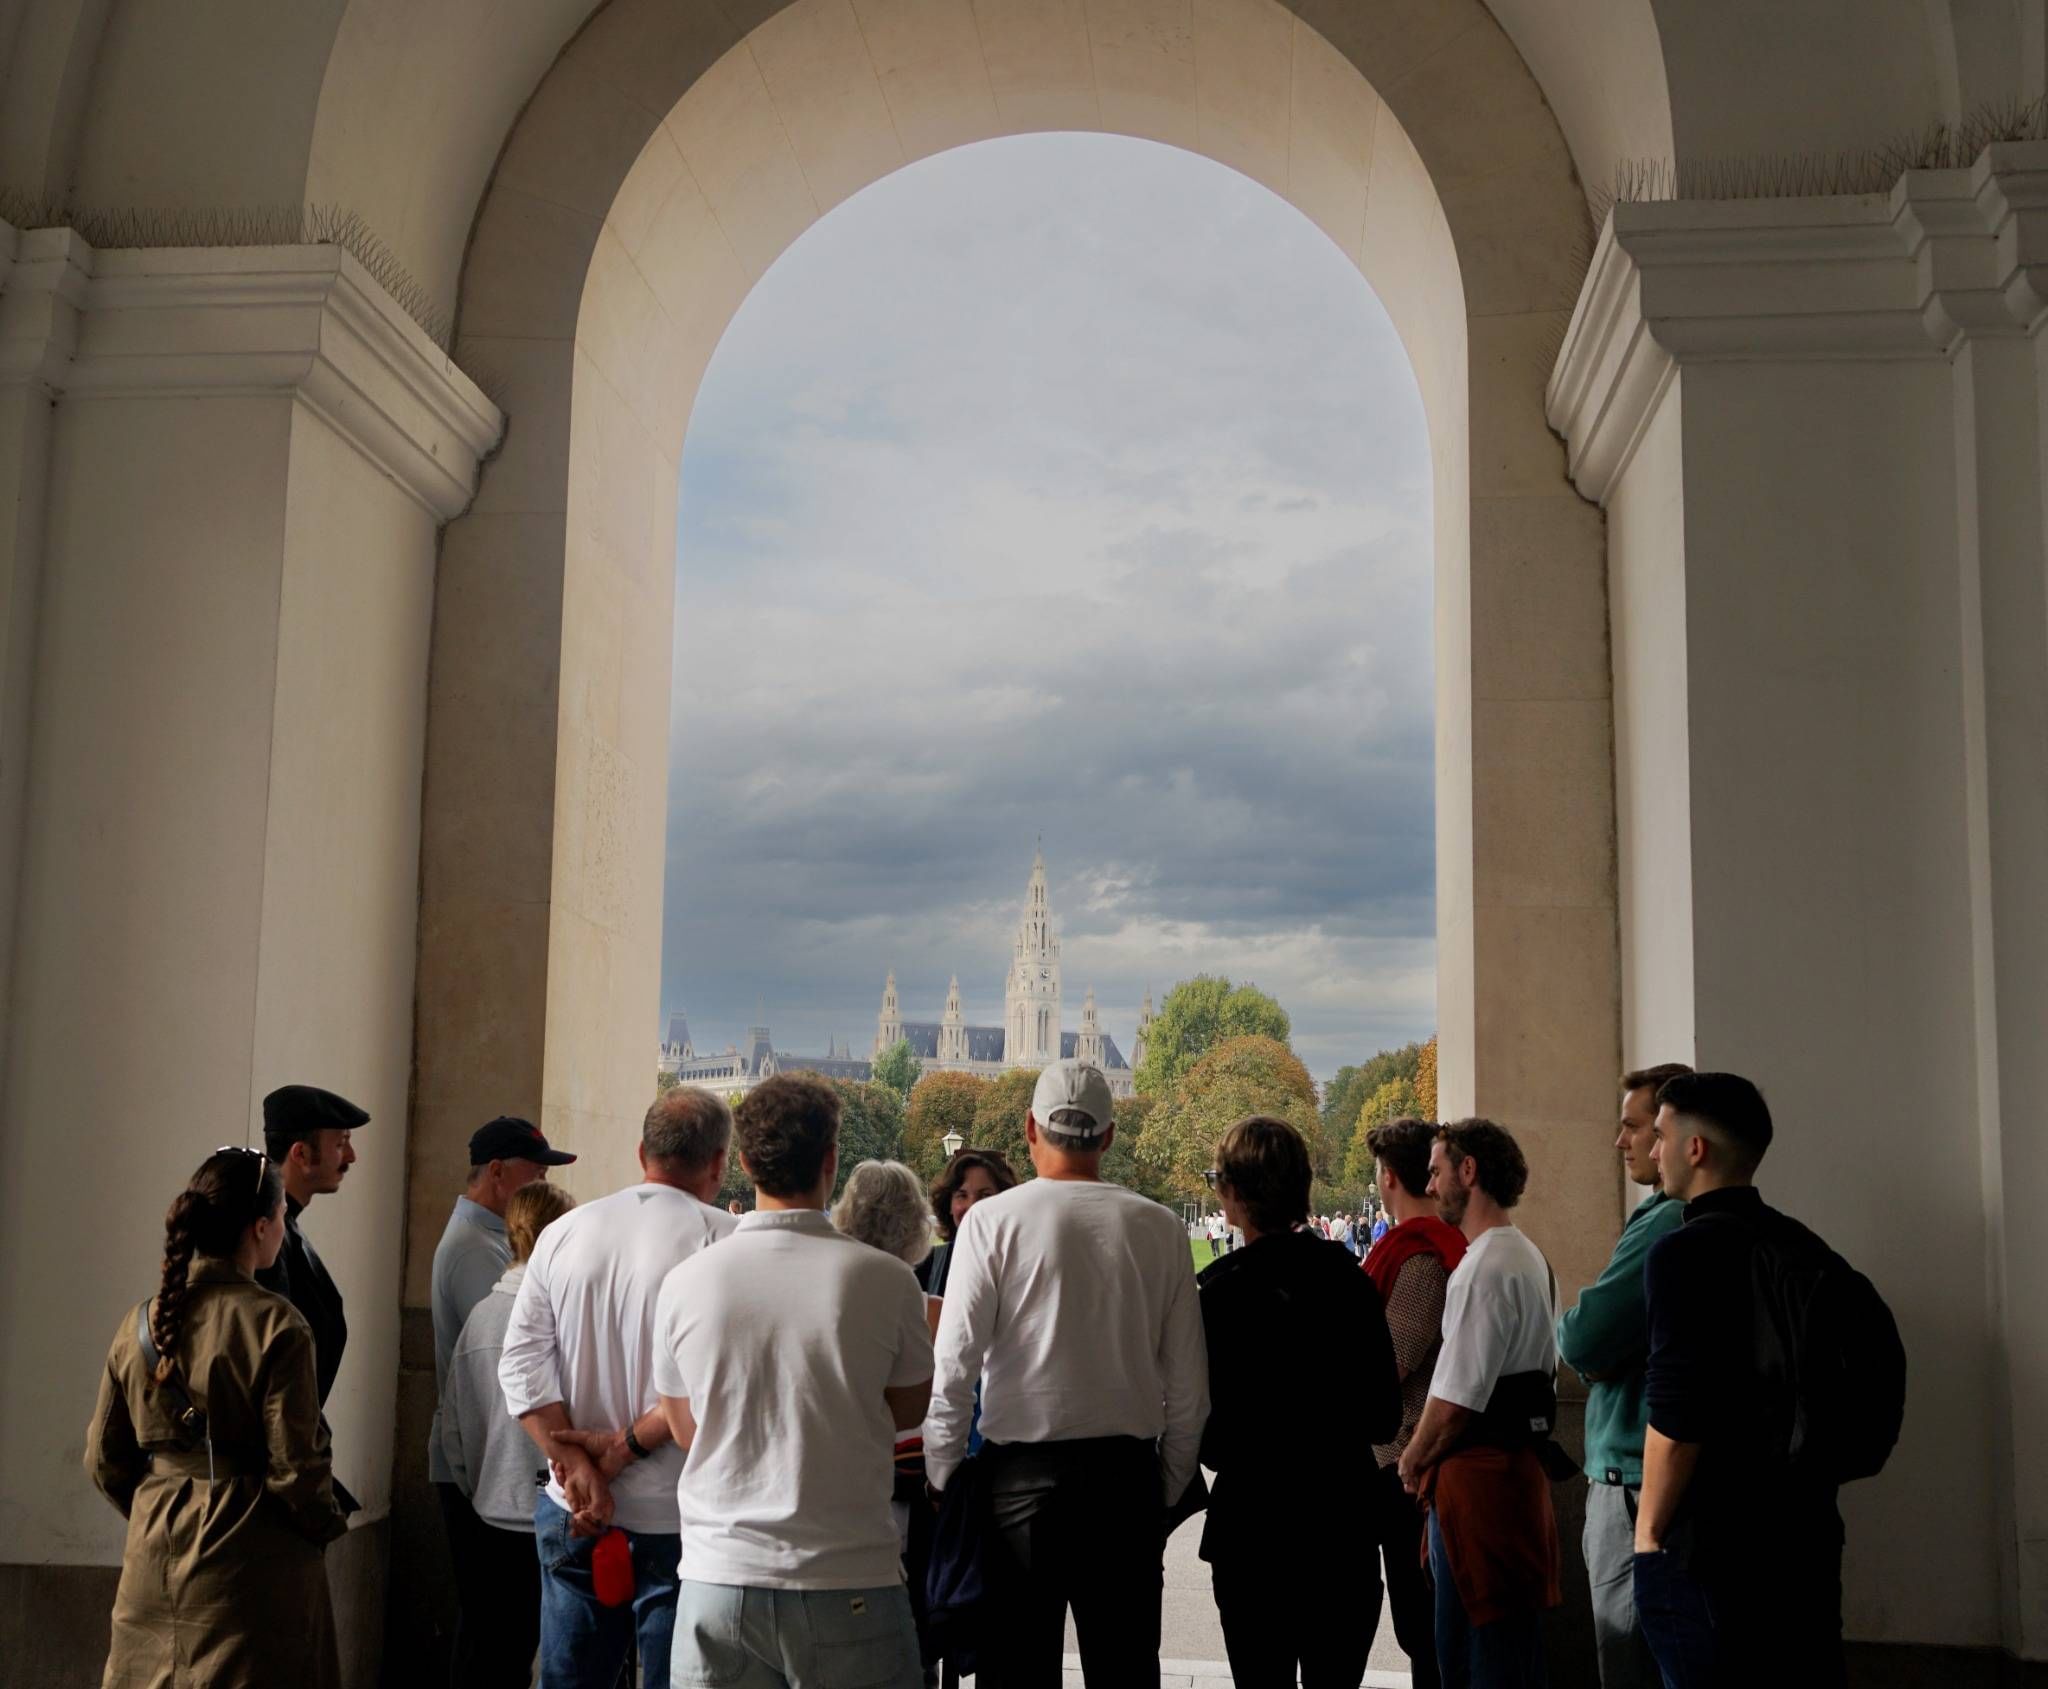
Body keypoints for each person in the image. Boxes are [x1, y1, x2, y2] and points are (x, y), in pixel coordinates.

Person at [926, 1060, 1208, 1689]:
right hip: (1124, 1477)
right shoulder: (1159, 1228)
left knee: (1017, 1673)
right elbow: (1188, 1389)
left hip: (1019, 1483)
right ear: (1109, 1137)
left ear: (1030, 1128)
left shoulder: (991, 1224)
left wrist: (943, 1473)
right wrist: (1164, 1485)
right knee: (1126, 1668)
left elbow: (956, 1365)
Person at [657, 1076, 935, 1689]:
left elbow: (683, 1428)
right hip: (848, 1571)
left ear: (745, 1161)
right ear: (831, 1160)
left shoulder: (687, 1282)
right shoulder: (887, 1280)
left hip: (720, 1575)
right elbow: (912, 1406)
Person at [497, 1088, 738, 1688]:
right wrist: (624, 1447)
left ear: (641, 1153)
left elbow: (522, 1363)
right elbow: (715, 1381)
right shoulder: (724, 1242)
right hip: (679, 1518)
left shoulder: (565, 1233)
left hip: (575, 1509)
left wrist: (574, 1463)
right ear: (718, 1163)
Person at [86, 1146, 350, 1687]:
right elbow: (297, 1473)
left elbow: (103, 1459)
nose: (282, 1229)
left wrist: (162, 1503)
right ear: (258, 1228)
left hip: (151, 1563)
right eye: (280, 1218)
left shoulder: (138, 1323)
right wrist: (325, 1526)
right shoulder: (278, 1326)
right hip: (247, 1574)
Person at [1633, 1072, 1860, 1688]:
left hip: (1713, 1542)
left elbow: (1677, 1418)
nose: (1653, 1152)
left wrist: (1648, 1536)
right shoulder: (1808, 1248)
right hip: (1805, 1526)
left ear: (1695, 1149)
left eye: (1660, 1135)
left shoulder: (1680, 1254)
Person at [1198, 1116, 1401, 1689]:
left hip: (1254, 1528)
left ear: (1234, 1194)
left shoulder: (1221, 1293)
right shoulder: (1350, 1282)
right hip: (1342, 1524)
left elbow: (1207, 1437)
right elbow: (1384, 1415)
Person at [1397, 1120, 1561, 1689]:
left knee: (1473, 1654)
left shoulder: (1482, 1267)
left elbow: (1455, 1398)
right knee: (1511, 1645)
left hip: (1479, 1485)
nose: (1431, 1182)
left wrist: (1412, 1457)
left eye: (1438, 1170)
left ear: (1469, 1171)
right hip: (1516, 1476)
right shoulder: (1528, 1257)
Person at [1556, 1064, 1692, 1689]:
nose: (1624, 1142)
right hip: (1661, 1476)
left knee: (1628, 1656)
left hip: (1634, 1480)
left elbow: (1586, 1335)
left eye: (1635, 1128)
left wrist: (1574, 1332)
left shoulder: (1666, 1220)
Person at [431, 1114, 578, 1685]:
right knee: (497, 1641)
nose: (541, 1180)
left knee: (494, 1636)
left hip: (493, 1477)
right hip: (498, 1477)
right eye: (534, 1172)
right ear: (496, 1173)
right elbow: (500, 1378)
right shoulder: (477, 1252)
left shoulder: (489, 1243)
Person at [1362, 1118, 1467, 1689]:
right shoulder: (1421, 1248)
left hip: (1404, 1457)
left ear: (1389, 1177)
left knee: (1421, 1625)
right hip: (1403, 1456)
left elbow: (1388, 1365)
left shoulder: (1421, 1257)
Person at [255, 1082, 369, 1512]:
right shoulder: (267, 1243)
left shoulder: (285, 1229)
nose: (351, 1157)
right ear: (301, 1155)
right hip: (275, 1483)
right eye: (340, 1144)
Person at [918, 1147, 1018, 1297]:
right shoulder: (928, 1265)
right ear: (949, 1205)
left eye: (985, 1195)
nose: (972, 1207)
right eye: (962, 1195)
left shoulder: (1021, 1266)